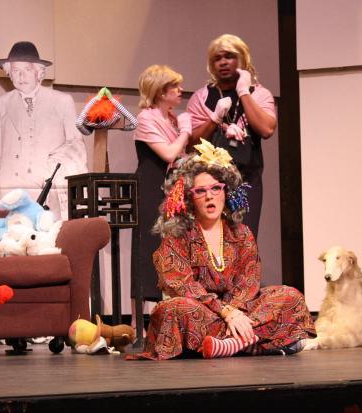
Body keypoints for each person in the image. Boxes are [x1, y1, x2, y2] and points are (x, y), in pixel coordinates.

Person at [129, 139, 315, 360]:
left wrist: (235, 312)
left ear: (226, 192)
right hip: (203, 311)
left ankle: (231, 343)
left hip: (240, 310)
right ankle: (250, 341)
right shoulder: (177, 235)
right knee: (173, 309)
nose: (210, 196)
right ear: (189, 197)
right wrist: (225, 313)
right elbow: (181, 285)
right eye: (201, 191)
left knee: (289, 296)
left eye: (216, 188)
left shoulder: (241, 233)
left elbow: (249, 281)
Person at [187, 34, 276, 238]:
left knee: (244, 240)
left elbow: (267, 129)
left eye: (229, 56)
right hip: (207, 185)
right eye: (218, 58)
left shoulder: (259, 94)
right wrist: (215, 118)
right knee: (210, 241)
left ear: (242, 59)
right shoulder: (201, 97)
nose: (223, 62)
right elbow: (190, 144)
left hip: (246, 182)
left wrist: (243, 91)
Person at [0, 41, 88, 220]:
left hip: (49, 187)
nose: (21, 76)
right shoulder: (1, 103)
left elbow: (75, 143)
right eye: (16, 71)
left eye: (27, 69)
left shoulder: (62, 101)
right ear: (9, 73)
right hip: (12, 187)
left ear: (38, 72)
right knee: (13, 241)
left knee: (50, 239)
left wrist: (58, 167)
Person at [131, 65, 192, 304]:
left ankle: (169, 307)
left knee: (174, 246)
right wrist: (186, 132)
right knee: (149, 247)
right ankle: (137, 322)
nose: (181, 90)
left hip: (172, 188)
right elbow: (168, 154)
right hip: (150, 188)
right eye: (174, 86)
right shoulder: (147, 117)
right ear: (159, 91)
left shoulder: (171, 118)